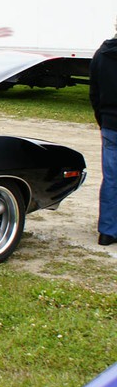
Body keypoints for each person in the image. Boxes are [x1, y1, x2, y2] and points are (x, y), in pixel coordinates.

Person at [90, 18, 117, 246]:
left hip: (110, 124)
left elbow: (94, 93)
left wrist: (103, 119)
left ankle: (107, 231)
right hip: (109, 122)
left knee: (111, 179)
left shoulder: (101, 55)